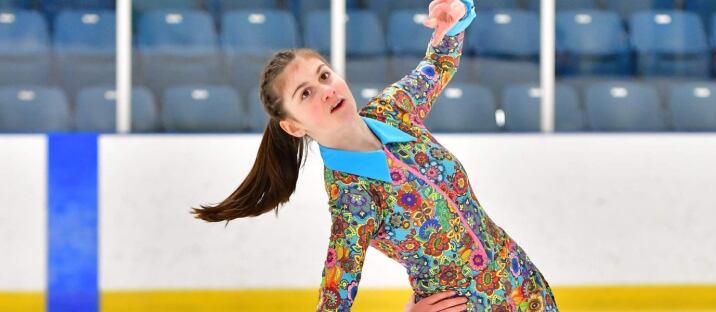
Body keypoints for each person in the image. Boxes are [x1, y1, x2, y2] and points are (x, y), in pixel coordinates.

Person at [192, 0, 558, 311]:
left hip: (523, 286)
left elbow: (439, 63)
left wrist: (453, 16)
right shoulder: (350, 197)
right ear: (293, 126)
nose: (325, 91)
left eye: (324, 76)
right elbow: (334, 301)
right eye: (305, 94)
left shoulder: (392, 110)